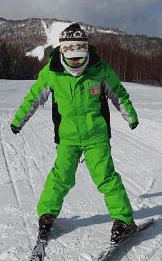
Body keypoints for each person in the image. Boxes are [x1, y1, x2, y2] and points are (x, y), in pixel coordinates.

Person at [10, 23, 139, 244]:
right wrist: (18, 121)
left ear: (86, 50)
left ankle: (123, 220)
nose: (76, 62)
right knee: (61, 177)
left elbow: (119, 93)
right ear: (63, 51)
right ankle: (47, 214)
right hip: (67, 138)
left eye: (80, 57)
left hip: (96, 137)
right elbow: (33, 98)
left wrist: (131, 116)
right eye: (72, 58)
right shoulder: (51, 72)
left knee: (106, 178)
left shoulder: (99, 69)